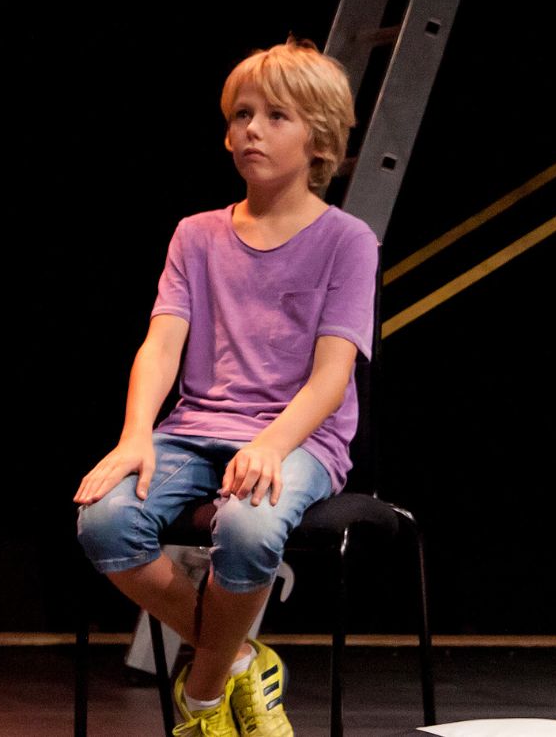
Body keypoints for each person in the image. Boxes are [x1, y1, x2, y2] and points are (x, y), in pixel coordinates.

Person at [72, 39, 378, 737]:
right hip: (195, 430)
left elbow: (332, 377)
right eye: (242, 115)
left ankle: (203, 701)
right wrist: (135, 437)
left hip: (297, 439)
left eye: (276, 116)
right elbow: (161, 345)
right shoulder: (196, 235)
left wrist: (270, 445)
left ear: (319, 137)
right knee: (104, 519)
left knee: (247, 525)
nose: (251, 131)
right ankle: (239, 657)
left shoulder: (348, 240)